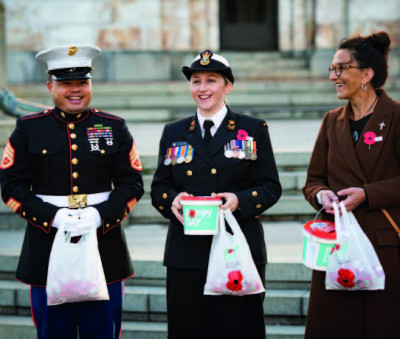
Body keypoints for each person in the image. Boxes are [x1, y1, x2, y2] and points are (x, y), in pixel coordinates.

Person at [0, 44, 144, 339]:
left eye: (82, 82)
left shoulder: (113, 126)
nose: (75, 90)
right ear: (50, 85)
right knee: (54, 332)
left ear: (91, 84)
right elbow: (11, 187)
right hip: (47, 246)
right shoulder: (28, 128)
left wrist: (98, 215)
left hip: (104, 245)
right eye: (66, 83)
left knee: (102, 331)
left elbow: (132, 184)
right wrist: (52, 217)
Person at [151, 50, 281, 339]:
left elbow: (270, 186)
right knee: (189, 330)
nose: (202, 88)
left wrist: (240, 200)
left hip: (239, 247)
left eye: (211, 80)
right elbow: (159, 187)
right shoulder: (173, 131)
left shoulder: (252, 129)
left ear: (228, 86)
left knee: (239, 329)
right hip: (187, 252)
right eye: (196, 81)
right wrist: (172, 200)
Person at [303, 31, 400, 338]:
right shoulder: (332, 120)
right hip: (337, 246)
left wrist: (368, 194)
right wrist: (322, 195)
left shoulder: (397, 116)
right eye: (332, 69)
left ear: (367, 75)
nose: (333, 76)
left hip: (384, 245)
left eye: (341, 68)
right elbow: (312, 181)